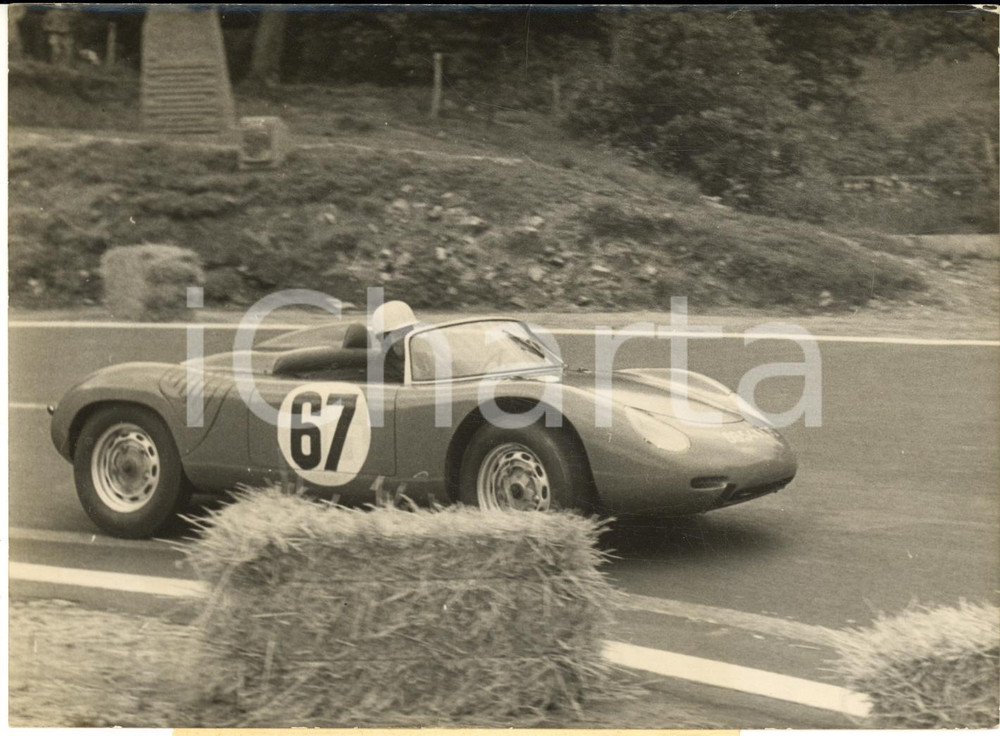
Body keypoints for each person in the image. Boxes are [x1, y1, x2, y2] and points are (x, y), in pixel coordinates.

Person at [370, 300, 418, 383]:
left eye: (410, 331)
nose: (408, 337)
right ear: (384, 340)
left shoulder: (421, 359)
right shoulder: (378, 371)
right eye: (400, 333)